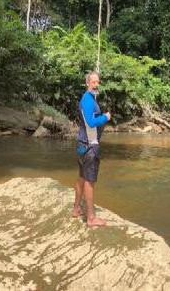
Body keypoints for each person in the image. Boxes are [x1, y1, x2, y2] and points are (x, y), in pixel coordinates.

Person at [72, 71, 111, 227]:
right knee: (89, 181)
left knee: (81, 177)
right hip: (90, 146)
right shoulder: (88, 100)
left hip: (82, 145)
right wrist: (105, 117)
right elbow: (90, 122)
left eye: (98, 82)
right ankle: (91, 218)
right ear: (87, 83)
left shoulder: (90, 98)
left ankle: (76, 209)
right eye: (93, 82)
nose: (96, 84)